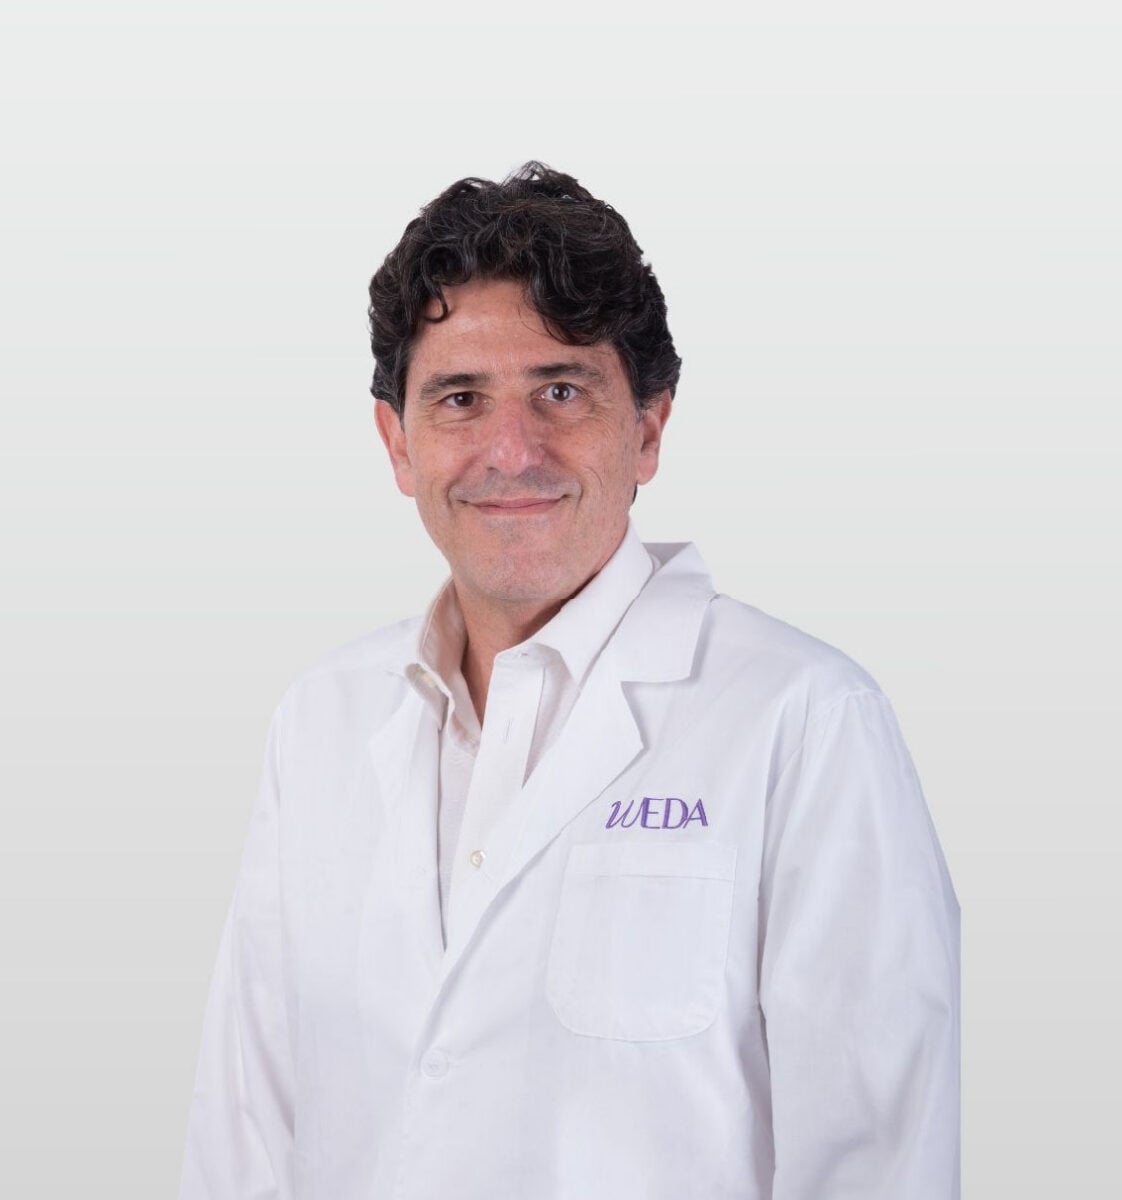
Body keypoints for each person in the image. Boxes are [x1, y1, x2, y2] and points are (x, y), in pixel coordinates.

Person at [179, 162, 960, 1199]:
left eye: (561, 391)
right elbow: (244, 1135)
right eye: (461, 398)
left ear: (647, 429)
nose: (512, 452)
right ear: (398, 443)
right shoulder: (320, 720)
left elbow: (879, 1160)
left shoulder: (805, 720)